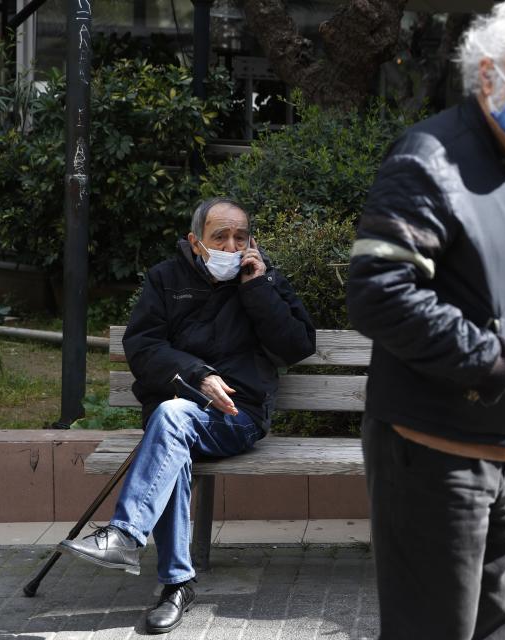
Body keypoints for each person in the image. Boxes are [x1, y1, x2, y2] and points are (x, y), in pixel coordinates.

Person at [345, 2, 505, 638]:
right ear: (487, 77)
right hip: (433, 457)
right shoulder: (432, 157)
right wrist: (495, 363)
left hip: (499, 457)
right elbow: (377, 290)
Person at [58, 198, 316, 634]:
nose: (231, 245)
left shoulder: (266, 280)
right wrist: (198, 376)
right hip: (174, 411)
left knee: (170, 420)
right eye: (220, 237)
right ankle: (176, 585)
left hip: (238, 416)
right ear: (196, 242)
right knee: (172, 429)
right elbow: (143, 348)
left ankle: (126, 539)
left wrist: (257, 288)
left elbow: (296, 346)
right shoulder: (165, 279)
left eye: (240, 236)